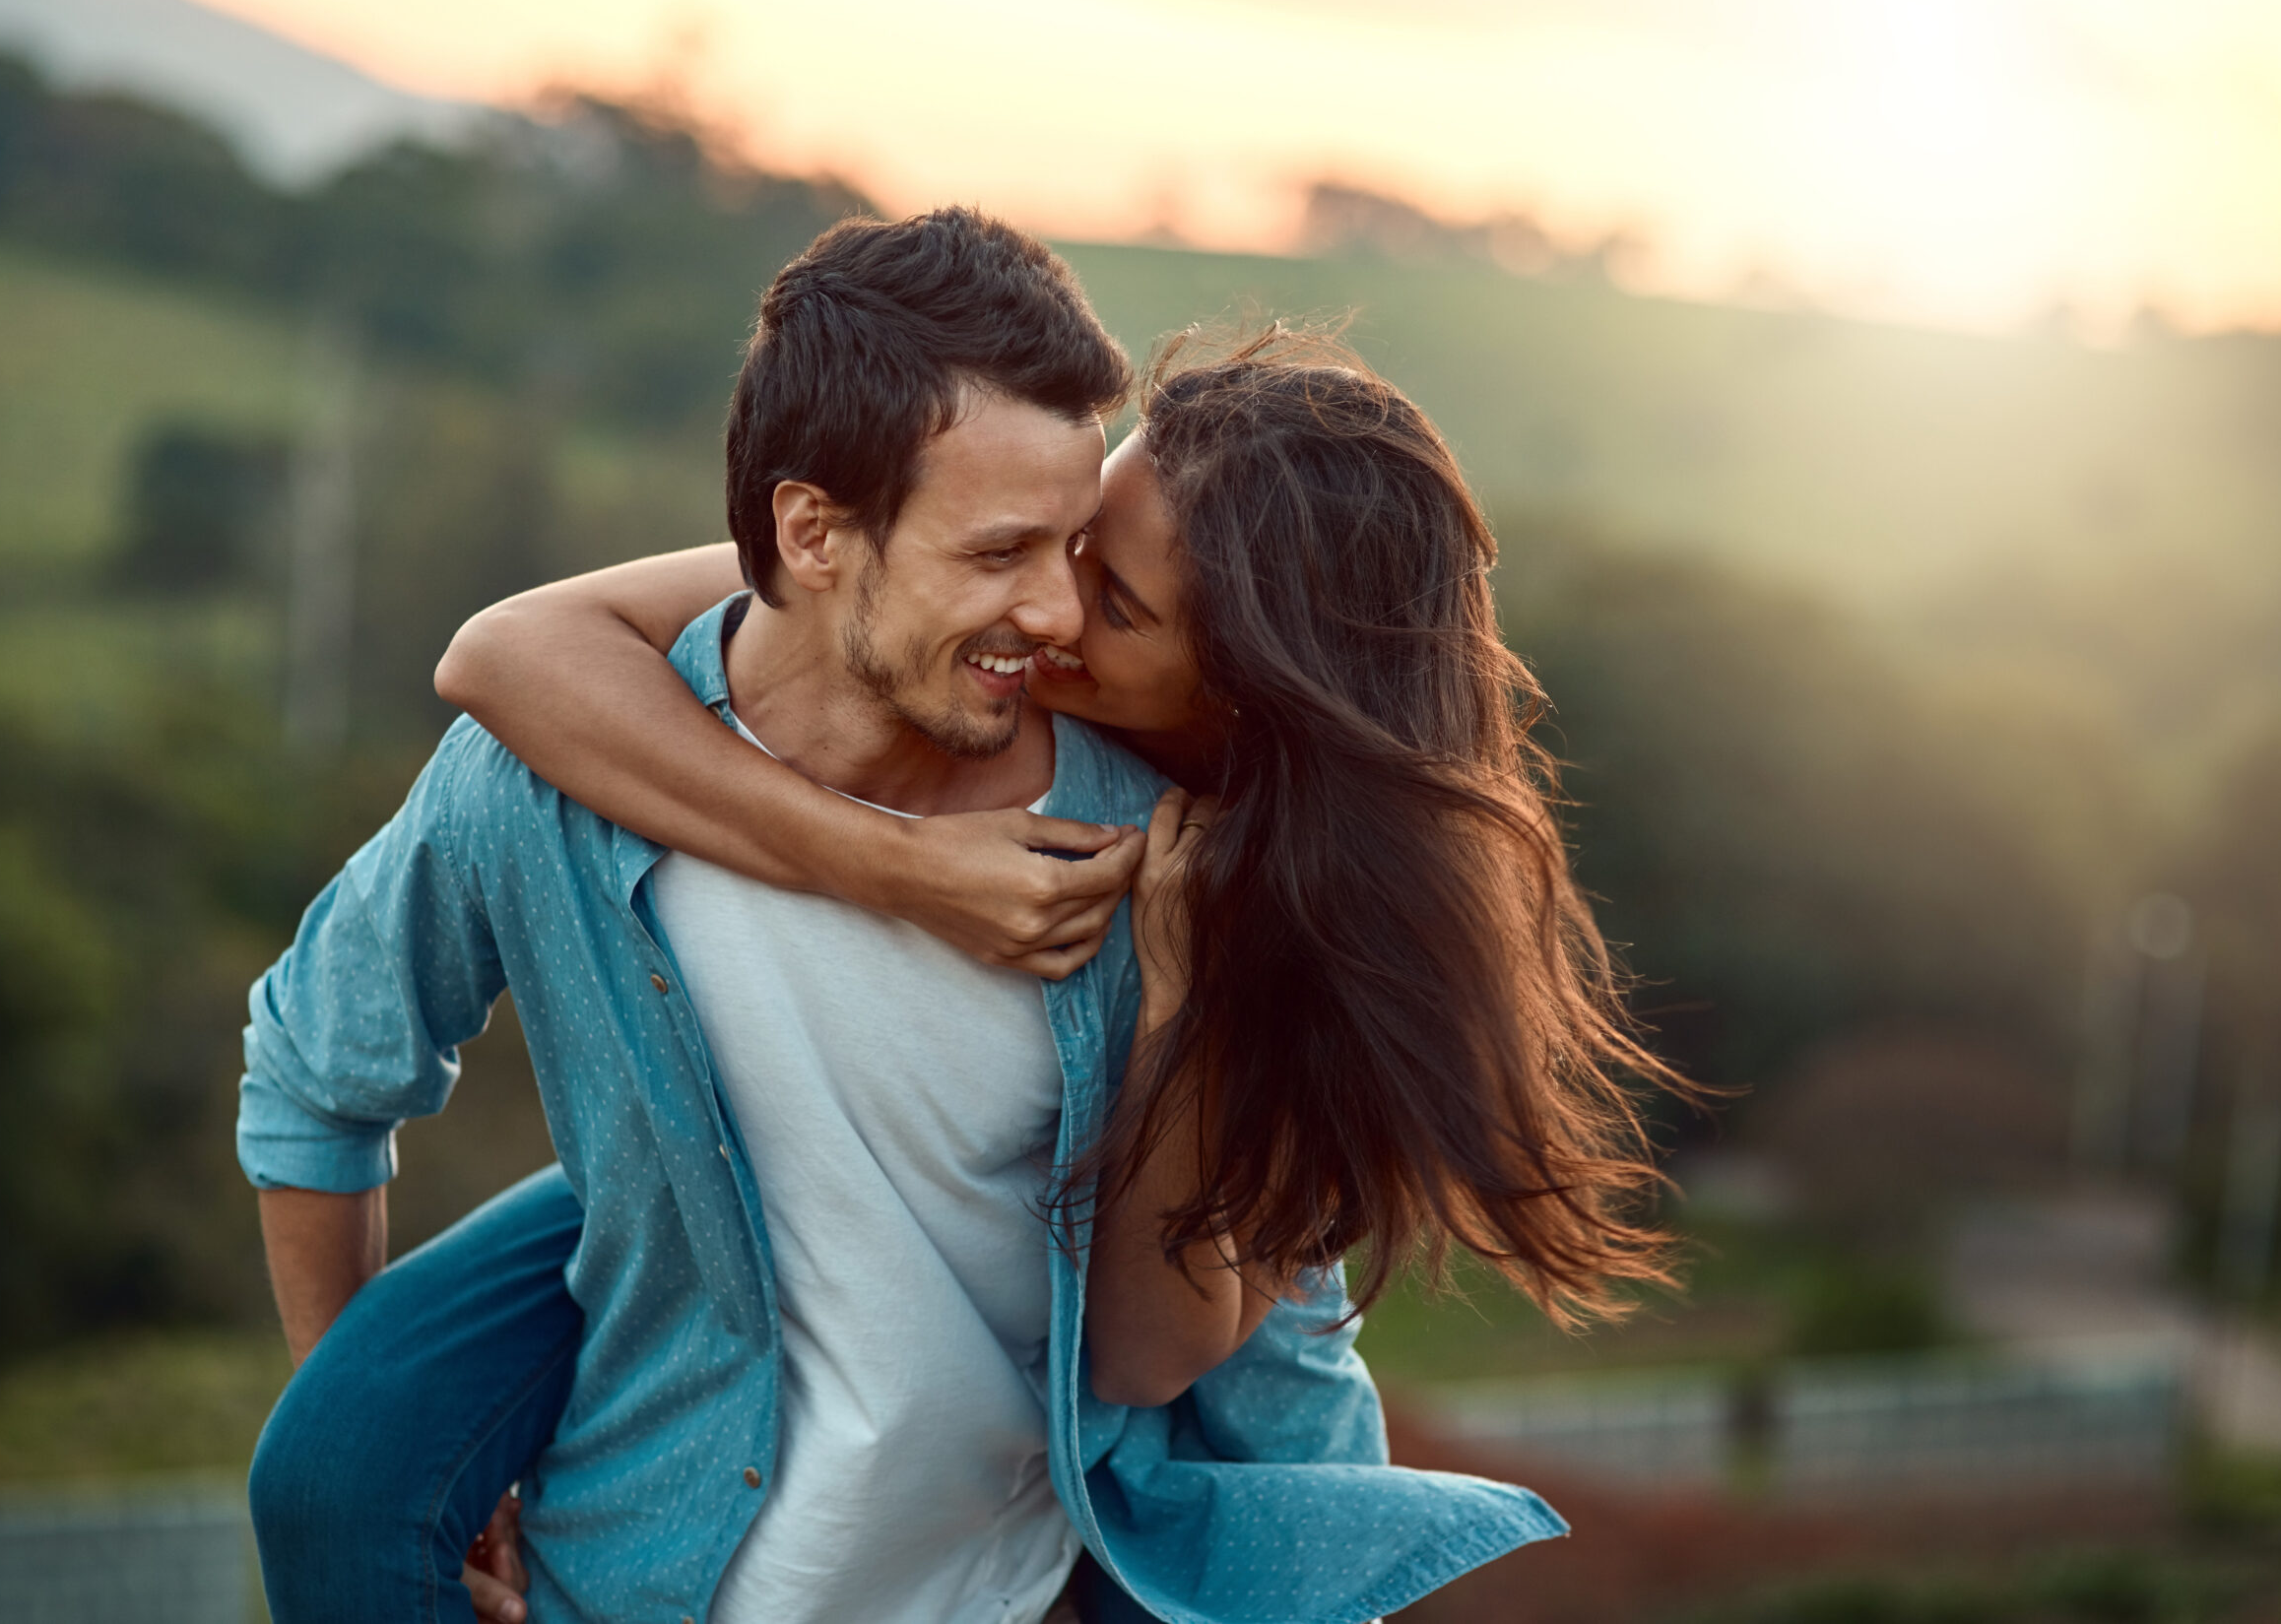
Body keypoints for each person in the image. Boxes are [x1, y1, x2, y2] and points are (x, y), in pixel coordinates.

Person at [239, 210, 1576, 1624]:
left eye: (1092, 572)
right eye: (1013, 549)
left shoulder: (1204, 864)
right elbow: (333, 1044)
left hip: (1081, 1504)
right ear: (815, 532)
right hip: (639, 1562)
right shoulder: (573, 761)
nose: (1055, 614)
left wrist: (1183, 990)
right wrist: (892, 863)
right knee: (345, 1454)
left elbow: (1181, 1351)